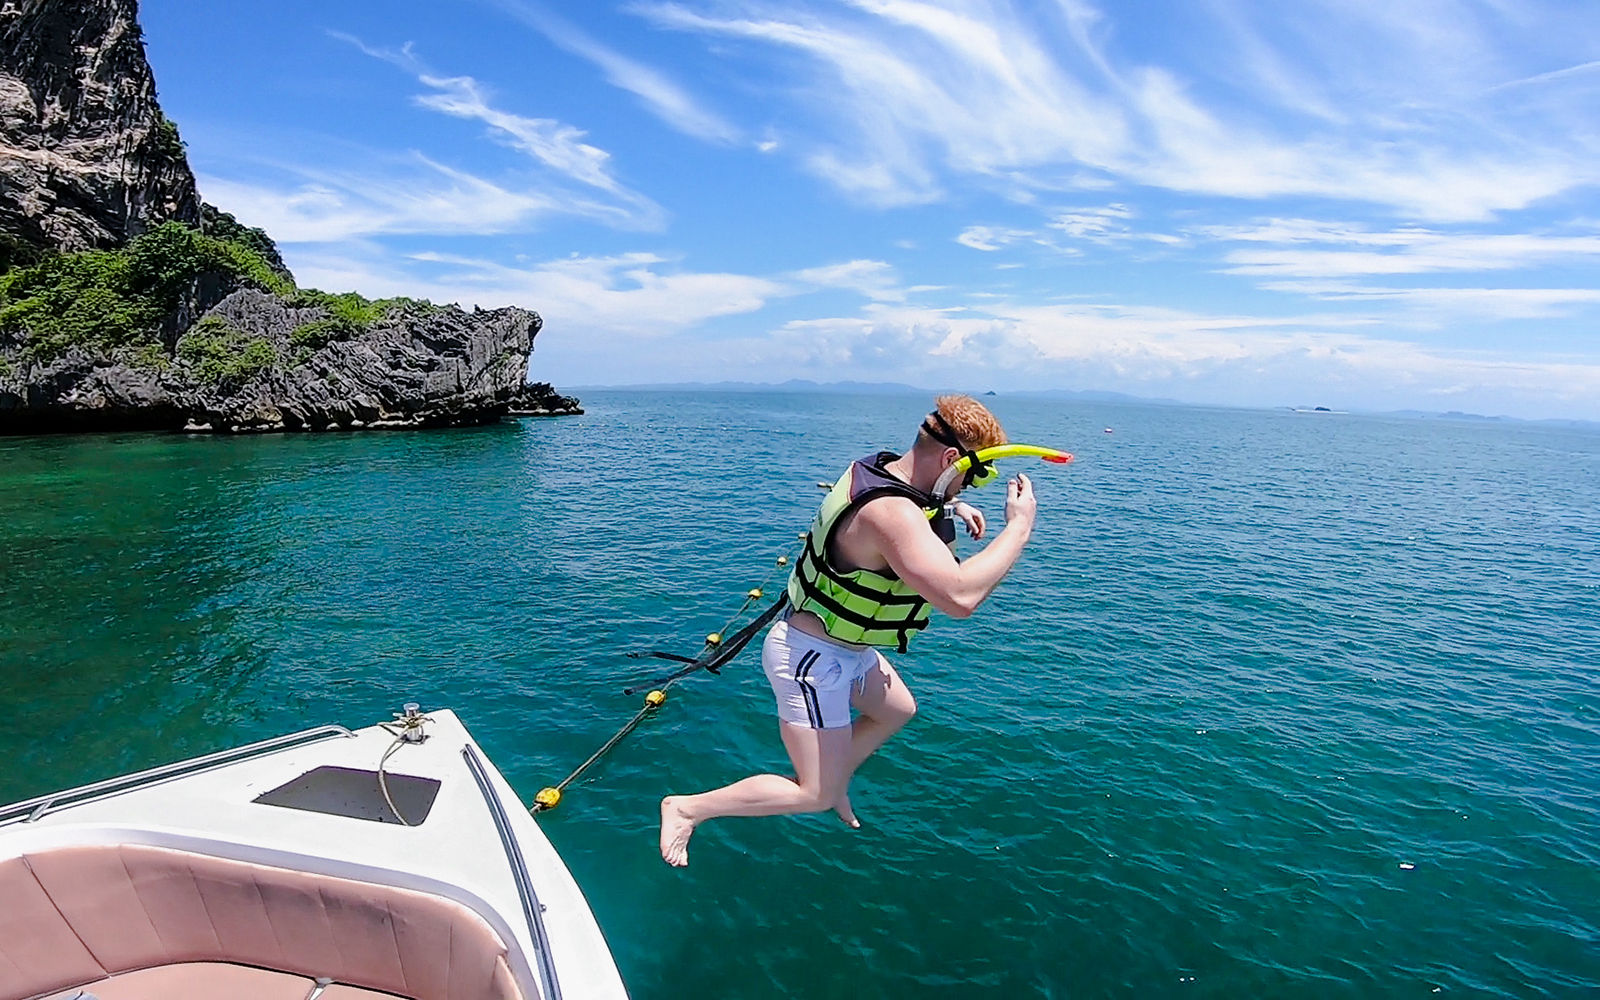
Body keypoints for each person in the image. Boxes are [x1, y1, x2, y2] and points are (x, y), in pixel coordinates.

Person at [659, 395, 1039, 866]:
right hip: (811, 660)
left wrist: (953, 504)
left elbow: (910, 502)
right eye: (972, 475)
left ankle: (830, 776)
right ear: (948, 459)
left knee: (898, 709)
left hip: (847, 650)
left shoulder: (880, 469)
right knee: (813, 795)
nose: (971, 485)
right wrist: (1018, 529)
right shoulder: (891, 514)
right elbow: (960, 599)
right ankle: (691, 808)